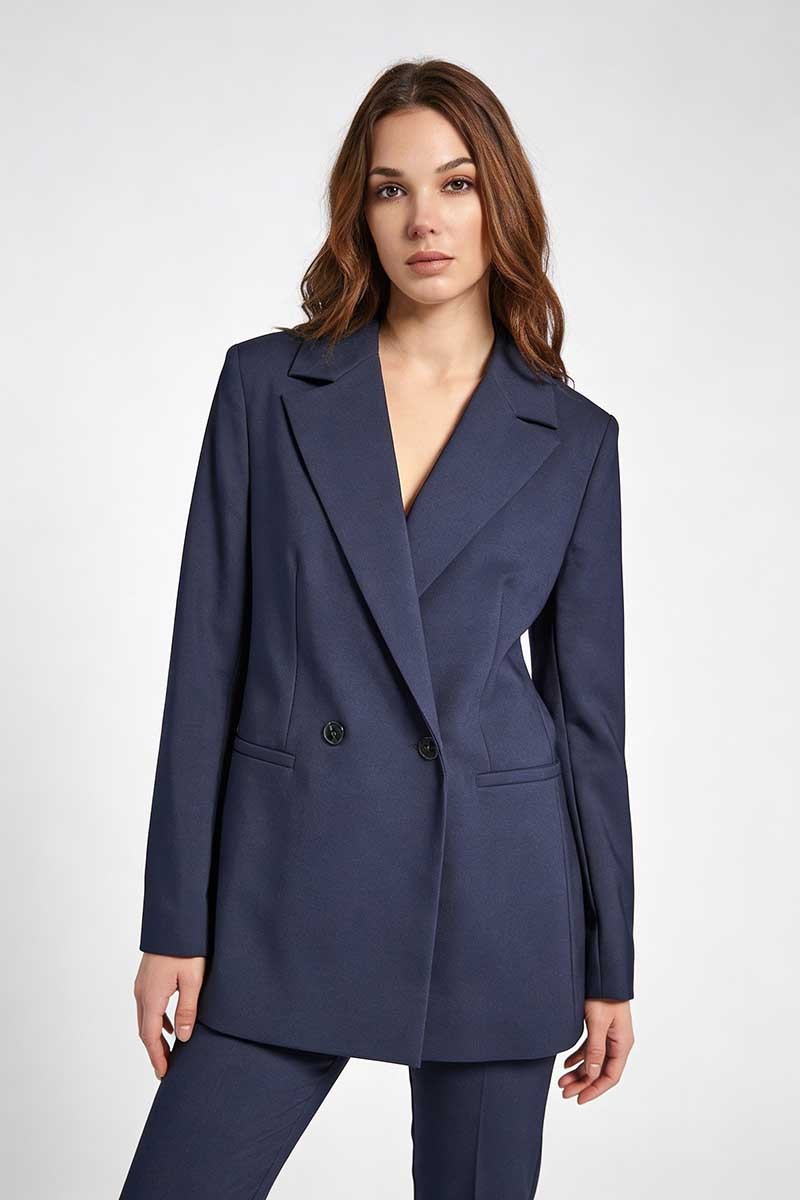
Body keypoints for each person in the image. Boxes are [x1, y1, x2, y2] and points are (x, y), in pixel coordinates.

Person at [120, 57, 636, 1199]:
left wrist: (609, 961)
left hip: (494, 893)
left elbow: (586, 723)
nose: (423, 220)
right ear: (358, 210)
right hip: (284, 880)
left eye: (455, 184)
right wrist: (173, 921)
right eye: (390, 188)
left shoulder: (574, 439)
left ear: (500, 201)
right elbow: (205, 662)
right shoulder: (267, 389)